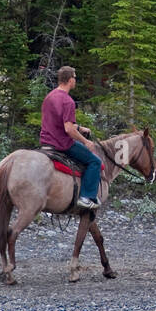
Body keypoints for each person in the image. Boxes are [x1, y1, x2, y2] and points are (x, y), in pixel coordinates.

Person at [40, 65, 103, 210]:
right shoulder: (68, 101)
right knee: (95, 161)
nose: (75, 80)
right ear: (69, 80)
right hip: (62, 144)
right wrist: (86, 141)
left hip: (46, 141)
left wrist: (80, 128)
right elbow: (68, 129)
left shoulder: (50, 96)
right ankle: (86, 197)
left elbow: (59, 122)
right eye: (75, 77)